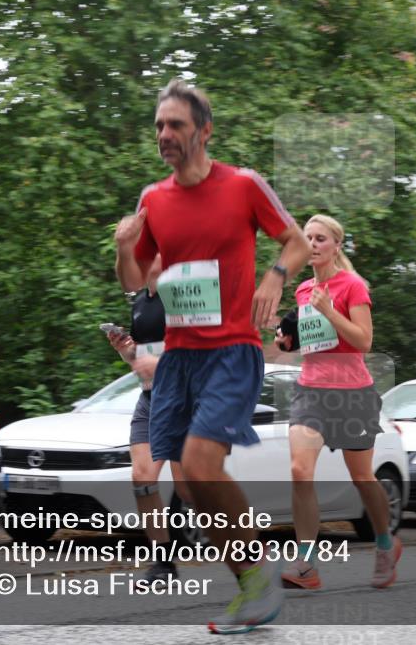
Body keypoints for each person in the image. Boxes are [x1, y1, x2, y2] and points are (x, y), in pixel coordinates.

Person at [114, 78, 310, 635]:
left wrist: (275, 275)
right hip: (179, 359)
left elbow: (295, 241)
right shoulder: (153, 199)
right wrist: (125, 247)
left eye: (175, 125)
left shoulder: (243, 185)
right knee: (190, 482)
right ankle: (252, 584)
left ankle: (260, 579)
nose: (164, 134)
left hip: (231, 351)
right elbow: (133, 281)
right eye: (159, 125)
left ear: (204, 131)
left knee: (201, 465)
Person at [275, 214, 401, 590]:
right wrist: (287, 343)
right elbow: (313, 342)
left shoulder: (352, 286)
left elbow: (364, 341)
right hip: (311, 391)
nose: (313, 244)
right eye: (308, 238)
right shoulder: (303, 291)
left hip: (353, 394)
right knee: (300, 470)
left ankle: (385, 543)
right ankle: (306, 564)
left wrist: (329, 310)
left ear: (335, 245)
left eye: (320, 238)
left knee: (362, 477)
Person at [105, 253, 184, 583]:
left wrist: (161, 363)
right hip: (150, 398)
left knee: (192, 488)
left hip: (183, 397)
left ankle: (249, 550)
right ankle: (163, 563)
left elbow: (198, 350)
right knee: (142, 477)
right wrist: (125, 350)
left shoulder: (181, 295)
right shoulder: (141, 302)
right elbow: (139, 358)